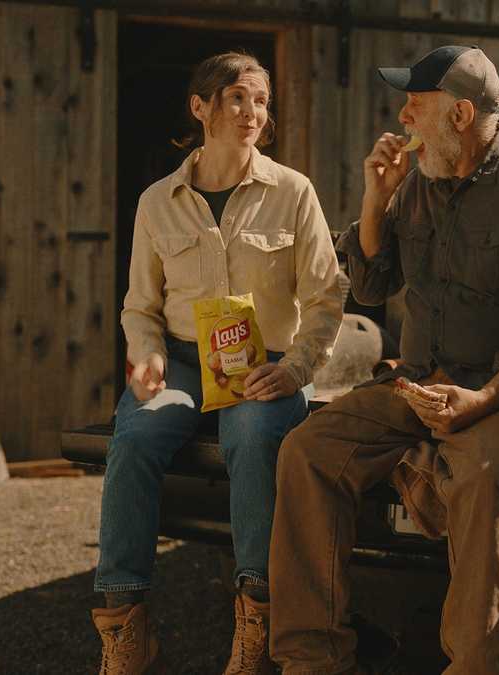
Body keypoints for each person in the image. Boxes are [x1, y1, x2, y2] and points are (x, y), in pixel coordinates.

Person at [268, 45, 499, 674]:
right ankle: (312, 659)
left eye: (417, 102)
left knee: (483, 479)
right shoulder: (416, 182)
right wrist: (374, 198)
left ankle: (476, 666)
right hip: (416, 384)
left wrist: (482, 400)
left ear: (461, 114)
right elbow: (374, 285)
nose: (403, 114)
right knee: (308, 450)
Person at [90, 51, 343, 675]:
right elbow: (140, 306)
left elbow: (326, 294)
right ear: (200, 107)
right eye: (236, 98)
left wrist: (296, 368)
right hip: (179, 359)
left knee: (255, 439)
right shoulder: (158, 201)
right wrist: (145, 356)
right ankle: (124, 623)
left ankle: (257, 615)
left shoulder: (293, 192)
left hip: (269, 363)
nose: (252, 112)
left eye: (260, 100)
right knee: (136, 437)